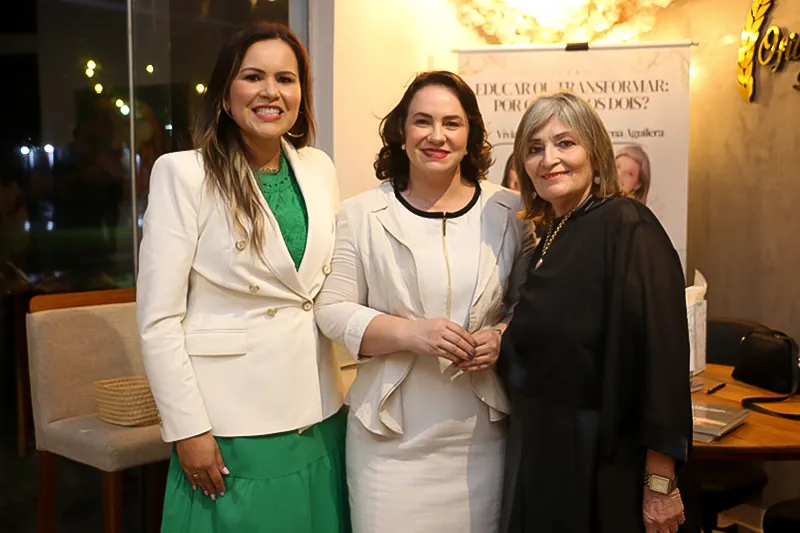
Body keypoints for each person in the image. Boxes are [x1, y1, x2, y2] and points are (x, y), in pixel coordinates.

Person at [136, 22, 349, 533]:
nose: (271, 92)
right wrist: (187, 428)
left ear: (301, 94)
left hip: (318, 405)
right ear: (226, 94)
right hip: (230, 418)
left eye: (286, 79)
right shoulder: (183, 174)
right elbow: (159, 320)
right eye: (254, 77)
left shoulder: (319, 168)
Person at [315, 71, 531, 533]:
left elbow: (527, 304)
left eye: (452, 123)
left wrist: (499, 335)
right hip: (388, 443)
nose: (437, 135)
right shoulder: (361, 213)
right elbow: (331, 309)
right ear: (401, 130)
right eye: (422, 121)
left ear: (471, 134)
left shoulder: (510, 211)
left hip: (481, 440)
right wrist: (413, 334)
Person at [497, 91, 694, 533]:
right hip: (545, 455)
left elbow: (661, 359)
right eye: (535, 148)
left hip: (603, 460)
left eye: (565, 143)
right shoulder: (552, 233)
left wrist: (660, 482)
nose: (549, 159)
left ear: (595, 152)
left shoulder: (628, 224)